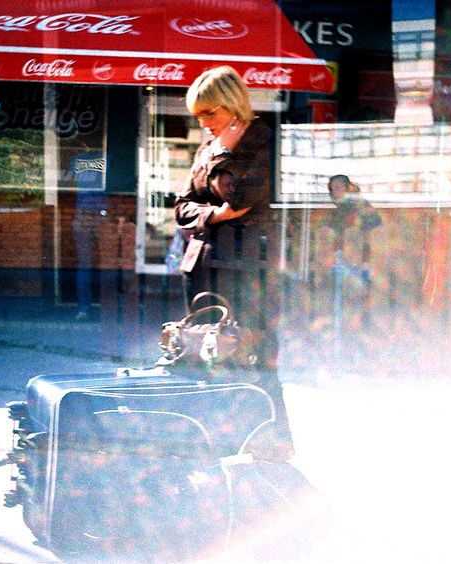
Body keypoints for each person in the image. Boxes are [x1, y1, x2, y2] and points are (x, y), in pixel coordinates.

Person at [174, 65, 293, 458]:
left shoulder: (263, 142)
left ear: (233, 104)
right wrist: (214, 214)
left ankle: (268, 443)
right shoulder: (207, 147)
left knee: (252, 352)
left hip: (248, 265)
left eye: (209, 113)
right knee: (204, 351)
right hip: (204, 265)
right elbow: (181, 207)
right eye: (198, 116)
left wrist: (224, 153)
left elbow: (241, 197)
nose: (203, 123)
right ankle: (216, 441)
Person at [70, 145, 107, 321]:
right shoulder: (108, 158)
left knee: (85, 263)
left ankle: (84, 307)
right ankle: (104, 305)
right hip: (99, 215)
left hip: (84, 214)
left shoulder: (76, 160)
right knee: (106, 262)